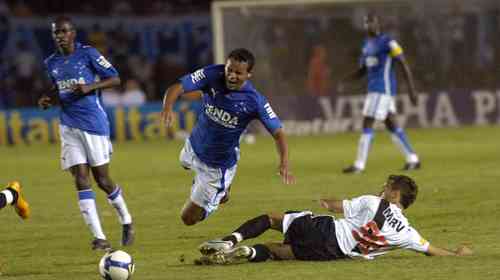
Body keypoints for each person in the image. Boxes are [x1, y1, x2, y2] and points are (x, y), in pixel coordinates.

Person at [196, 175, 472, 265]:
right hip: (334, 252)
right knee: (280, 252)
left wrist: (325, 201)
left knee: (271, 219)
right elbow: (431, 250)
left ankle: (231, 240)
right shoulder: (408, 233)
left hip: (326, 228)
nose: (383, 188)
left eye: (388, 186)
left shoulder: (374, 202)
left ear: (395, 193)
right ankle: (252, 253)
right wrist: (458, 253)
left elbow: (338, 206)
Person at [161, 48, 295, 226]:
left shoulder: (255, 101)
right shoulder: (212, 73)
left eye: (238, 73)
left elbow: (278, 133)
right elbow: (178, 87)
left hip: (216, 166)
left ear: (249, 75)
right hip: (192, 146)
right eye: (229, 70)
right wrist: (168, 107)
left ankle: (219, 195)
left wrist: (284, 161)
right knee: (183, 163)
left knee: (188, 219)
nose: (232, 76)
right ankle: (217, 189)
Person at [37, 16, 134, 250]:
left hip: (93, 124)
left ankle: (126, 220)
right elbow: (57, 87)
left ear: (73, 33)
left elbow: (115, 78)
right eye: (55, 32)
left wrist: (90, 87)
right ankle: (100, 238)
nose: (59, 35)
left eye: (63, 31)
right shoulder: (51, 62)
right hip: (68, 125)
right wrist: (49, 98)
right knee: (80, 178)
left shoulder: (88, 54)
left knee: (102, 180)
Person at [340, 14, 421, 174]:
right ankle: (413, 159)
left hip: (382, 89)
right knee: (392, 125)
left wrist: (412, 89)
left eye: (372, 22)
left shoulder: (388, 42)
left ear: (378, 23)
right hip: (375, 89)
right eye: (367, 22)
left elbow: (403, 63)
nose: (370, 25)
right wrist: (347, 80)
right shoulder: (366, 45)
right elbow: (363, 69)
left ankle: (359, 165)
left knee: (367, 123)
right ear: (365, 25)